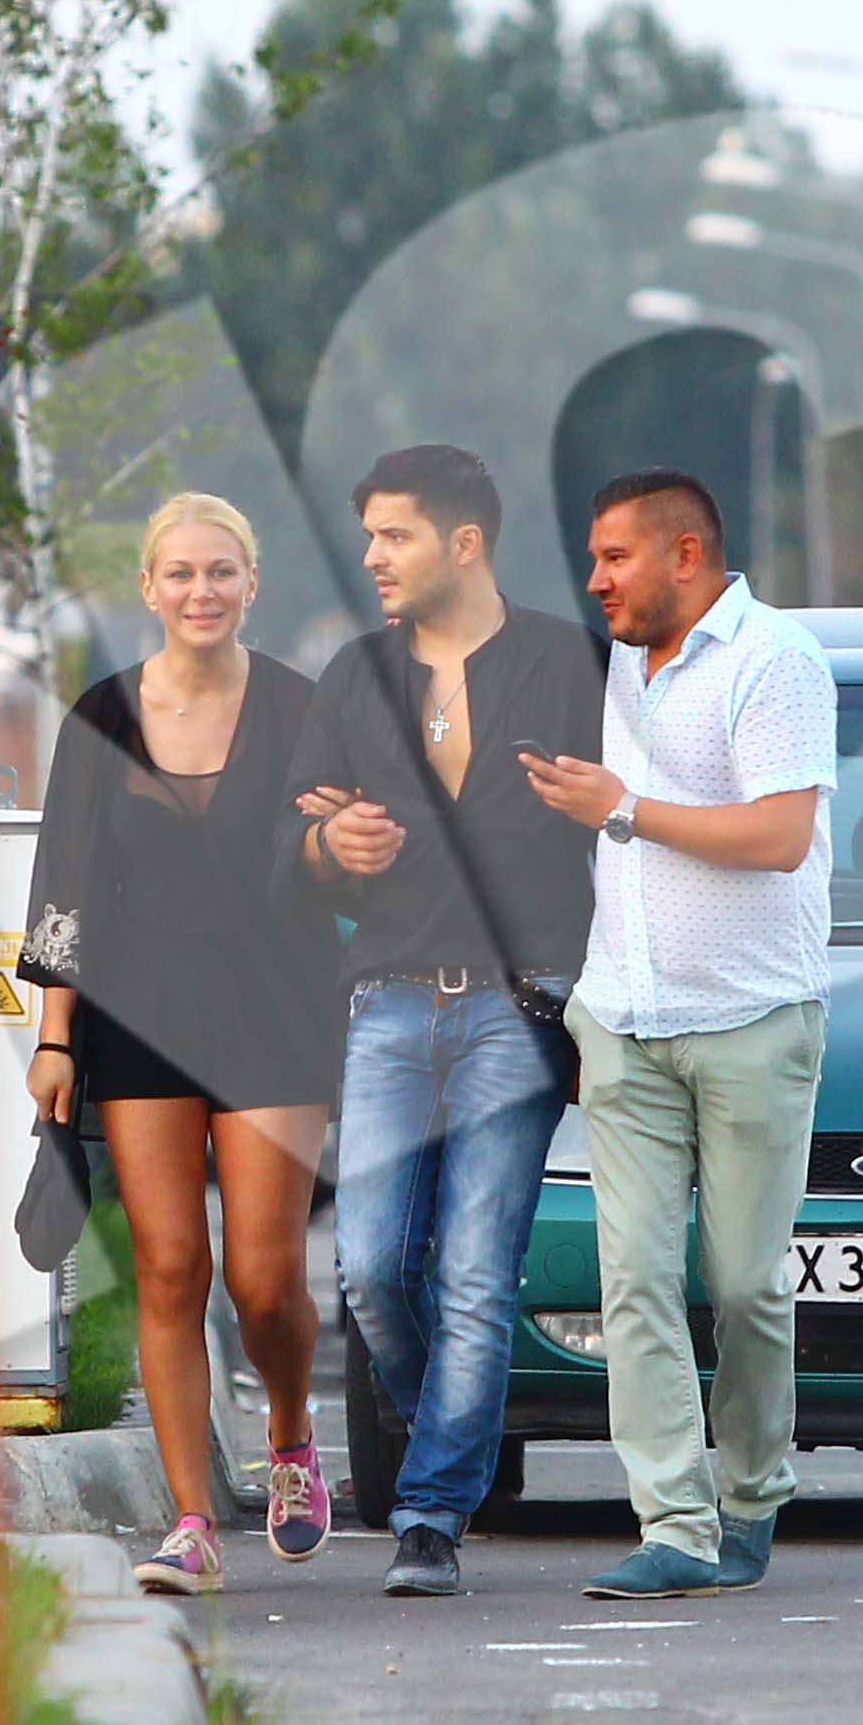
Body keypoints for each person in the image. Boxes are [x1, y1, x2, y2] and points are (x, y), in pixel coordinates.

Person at [278, 444, 606, 1601]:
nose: (371, 556)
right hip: (386, 1004)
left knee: (476, 1273)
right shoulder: (355, 677)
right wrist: (331, 844)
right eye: (367, 535)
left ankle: (431, 1514)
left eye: (394, 535)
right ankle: (445, 1435)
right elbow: (294, 844)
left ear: (463, 542)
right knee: (369, 1271)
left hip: (518, 1010)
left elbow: (587, 824)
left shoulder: (570, 664)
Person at [517, 471, 837, 1601]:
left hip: (753, 1020)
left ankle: (752, 1495)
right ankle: (675, 1525)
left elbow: (781, 836)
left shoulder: (774, 661)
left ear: (685, 554)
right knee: (635, 1283)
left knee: (746, 1286)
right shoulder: (611, 663)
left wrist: (623, 808)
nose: (596, 580)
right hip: (626, 1019)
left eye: (615, 558)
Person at [20, 494, 339, 1595]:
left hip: (274, 1014)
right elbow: (62, 885)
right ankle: (192, 1523)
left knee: (262, 1281)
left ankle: (292, 1438)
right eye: (181, 574)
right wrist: (56, 1037)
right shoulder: (101, 719)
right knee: (167, 1266)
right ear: (150, 590)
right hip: (136, 1013)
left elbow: (345, 854)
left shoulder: (305, 710)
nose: (201, 592)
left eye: (221, 573)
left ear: (252, 584)